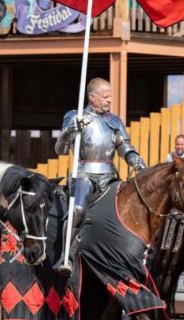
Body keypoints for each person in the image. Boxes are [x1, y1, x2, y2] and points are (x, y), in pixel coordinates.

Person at [55, 77, 145, 273]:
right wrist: (69, 132)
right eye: (105, 97)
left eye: (110, 96)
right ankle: (66, 256)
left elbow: (124, 146)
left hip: (109, 176)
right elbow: (60, 149)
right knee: (78, 209)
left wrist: (136, 160)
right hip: (83, 173)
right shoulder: (75, 117)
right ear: (92, 97)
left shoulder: (114, 121)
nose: (109, 100)